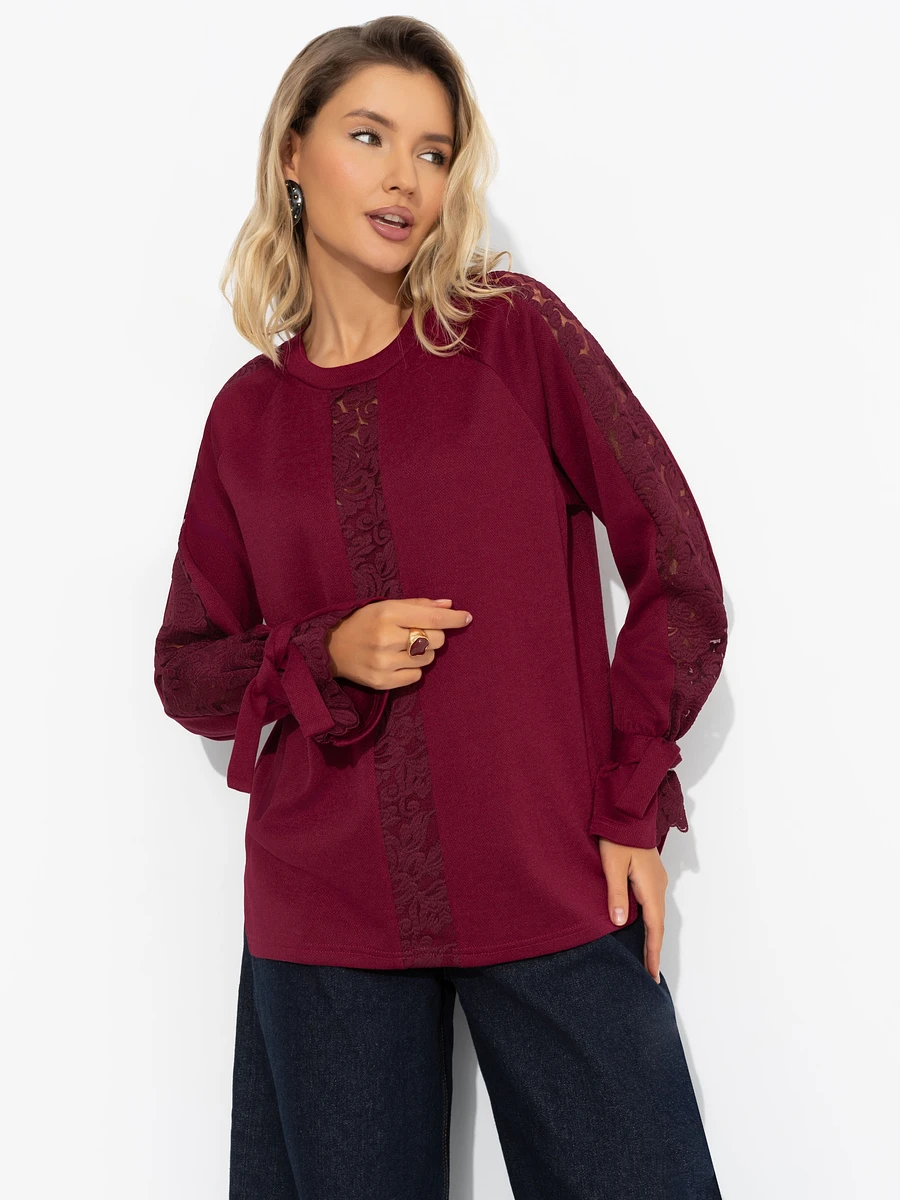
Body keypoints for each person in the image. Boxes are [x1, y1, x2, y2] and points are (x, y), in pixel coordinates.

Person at [153, 15, 728, 1200]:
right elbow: (189, 667)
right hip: (322, 913)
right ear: (294, 154)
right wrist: (323, 650)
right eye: (371, 137)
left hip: (545, 871)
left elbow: (676, 564)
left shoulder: (509, 335)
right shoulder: (245, 419)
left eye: (433, 151)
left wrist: (631, 805)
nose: (406, 178)